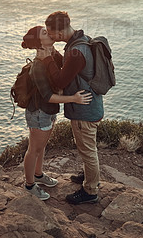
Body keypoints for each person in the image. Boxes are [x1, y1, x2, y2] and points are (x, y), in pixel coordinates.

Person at [38, 11, 104, 204]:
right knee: (86, 147)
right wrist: (55, 54)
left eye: (51, 33)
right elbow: (70, 69)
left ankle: (90, 191)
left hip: (84, 109)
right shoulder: (80, 41)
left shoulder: (76, 51)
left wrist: (47, 59)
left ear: (59, 32)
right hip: (90, 104)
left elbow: (61, 79)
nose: (50, 36)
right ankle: (87, 175)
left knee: (88, 150)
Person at [21, 25, 93, 201]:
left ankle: (38, 174)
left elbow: (63, 72)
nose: (50, 33)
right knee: (34, 149)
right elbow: (47, 96)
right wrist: (73, 99)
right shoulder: (38, 65)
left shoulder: (51, 54)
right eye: (45, 33)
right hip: (39, 112)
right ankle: (29, 185)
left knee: (42, 146)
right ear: (39, 42)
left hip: (48, 111)